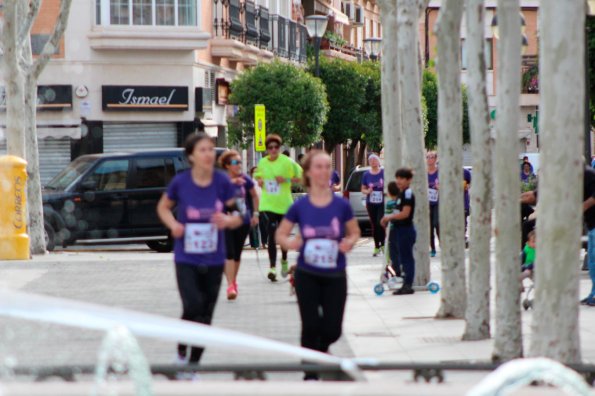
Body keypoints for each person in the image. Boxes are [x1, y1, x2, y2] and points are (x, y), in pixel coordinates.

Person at [157, 133, 243, 366]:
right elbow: (163, 207)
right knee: (192, 306)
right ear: (191, 156)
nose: (208, 154)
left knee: (206, 314)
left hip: (215, 259)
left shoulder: (222, 182)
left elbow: (240, 212)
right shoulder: (181, 182)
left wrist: (229, 221)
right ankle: (181, 351)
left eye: (210, 149)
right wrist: (174, 225)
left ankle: (193, 364)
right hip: (186, 258)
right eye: (202, 150)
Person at [275, 150, 360, 381]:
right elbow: (280, 234)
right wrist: (291, 242)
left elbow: (354, 232)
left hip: (335, 274)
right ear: (309, 173)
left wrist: (349, 242)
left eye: (327, 167)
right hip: (307, 274)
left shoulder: (340, 206)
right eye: (319, 167)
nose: (324, 171)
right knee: (310, 324)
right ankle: (310, 372)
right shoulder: (300, 207)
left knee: (333, 329)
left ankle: (318, 353)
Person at [254, 134, 303, 282]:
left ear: (280, 148)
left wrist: (286, 179)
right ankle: (272, 268)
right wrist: (260, 180)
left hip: (284, 206)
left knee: (283, 237)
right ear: (267, 149)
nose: (273, 150)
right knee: (271, 235)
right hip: (268, 205)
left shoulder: (288, 162)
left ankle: (284, 259)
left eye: (276, 147)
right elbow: (257, 175)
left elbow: (302, 178)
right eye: (270, 147)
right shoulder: (262, 162)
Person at [219, 151, 259, 300]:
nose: (239, 165)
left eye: (240, 162)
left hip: (242, 221)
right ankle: (230, 285)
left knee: (236, 253)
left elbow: (254, 196)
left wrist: (255, 214)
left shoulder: (245, 179)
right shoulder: (221, 180)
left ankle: (233, 281)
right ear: (227, 165)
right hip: (225, 220)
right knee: (228, 252)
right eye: (236, 162)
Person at [381, 168, 416, 295]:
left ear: (408, 180)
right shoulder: (401, 194)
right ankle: (405, 284)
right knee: (403, 258)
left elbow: (405, 213)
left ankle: (408, 285)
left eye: (402, 178)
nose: (399, 181)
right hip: (400, 230)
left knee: (407, 258)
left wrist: (389, 217)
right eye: (398, 178)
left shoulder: (407, 194)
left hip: (406, 229)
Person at [361, 153, 385, 256]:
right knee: (374, 224)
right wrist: (368, 191)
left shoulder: (383, 172)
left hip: (382, 202)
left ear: (378, 161)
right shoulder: (366, 174)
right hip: (371, 202)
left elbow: (390, 184)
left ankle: (383, 244)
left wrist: (385, 190)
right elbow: (362, 189)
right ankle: (376, 246)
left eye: (375, 160)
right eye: (371, 160)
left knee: (381, 222)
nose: (373, 162)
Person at [385, 181, 401, 277]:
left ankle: (395, 271)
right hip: (401, 229)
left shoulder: (390, 204)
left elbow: (387, 217)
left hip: (392, 230)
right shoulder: (400, 202)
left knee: (393, 252)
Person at [427, 151, 439, 257]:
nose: (430, 159)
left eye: (432, 157)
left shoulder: (439, 172)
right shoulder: (423, 173)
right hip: (427, 203)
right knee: (429, 226)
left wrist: (439, 187)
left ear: (436, 159)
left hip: (438, 202)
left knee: (437, 223)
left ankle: (442, 245)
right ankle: (432, 248)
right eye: (428, 157)